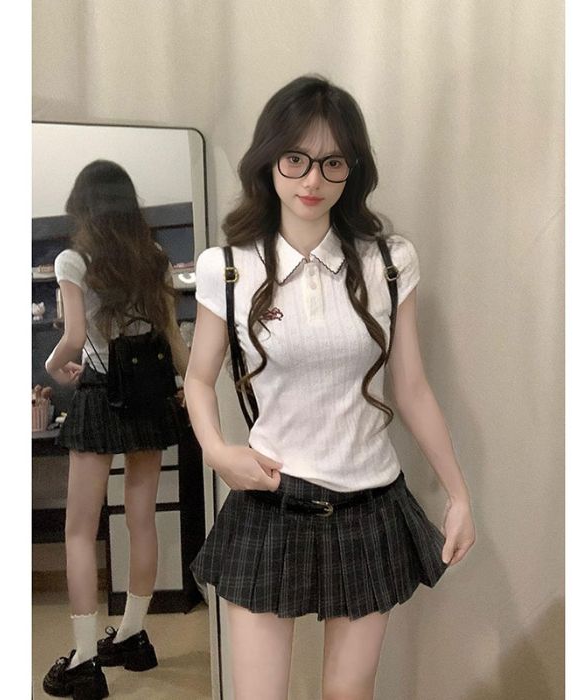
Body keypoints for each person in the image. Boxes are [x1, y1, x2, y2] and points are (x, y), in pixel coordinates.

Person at [184, 75, 476, 700]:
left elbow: (412, 386)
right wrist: (217, 450)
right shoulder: (228, 268)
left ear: (352, 170)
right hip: (270, 503)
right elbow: (199, 379)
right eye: (296, 159)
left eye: (332, 162)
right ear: (270, 161)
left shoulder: (389, 262)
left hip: (369, 504)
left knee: (349, 690)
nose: (312, 179)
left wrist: (458, 494)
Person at [41, 160, 189, 699]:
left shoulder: (73, 260)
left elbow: (76, 336)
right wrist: (186, 384)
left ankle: (84, 659)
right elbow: (171, 333)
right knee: (141, 520)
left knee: (80, 530)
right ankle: (131, 635)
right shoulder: (153, 257)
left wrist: (53, 366)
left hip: (101, 396)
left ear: (82, 207)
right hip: (150, 395)